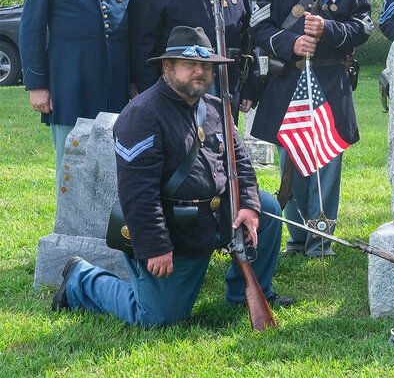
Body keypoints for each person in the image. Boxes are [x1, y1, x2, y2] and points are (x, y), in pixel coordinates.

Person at [51, 26, 290, 325]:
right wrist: (156, 246)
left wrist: (249, 206)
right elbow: (138, 192)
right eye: (190, 64)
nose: (199, 72)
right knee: (157, 318)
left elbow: (240, 161)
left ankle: (247, 293)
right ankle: (82, 279)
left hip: (216, 217)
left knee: (267, 208)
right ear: (167, 67)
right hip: (177, 230)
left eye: (205, 66)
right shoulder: (142, 114)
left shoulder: (216, 107)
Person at [250, 0, 372, 258]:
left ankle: (321, 242)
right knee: (292, 161)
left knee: (327, 162)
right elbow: (258, 28)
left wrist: (329, 31)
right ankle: (298, 237)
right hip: (287, 83)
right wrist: (291, 44)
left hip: (332, 83)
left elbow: (363, 27)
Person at [19, 0, 134, 176]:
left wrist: (134, 81)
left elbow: (133, 30)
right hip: (70, 86)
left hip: (116, 89)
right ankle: (72, 222)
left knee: (114, 170)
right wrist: (37, 85)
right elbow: (31, 29)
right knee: (73, 170)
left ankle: (111, 222)